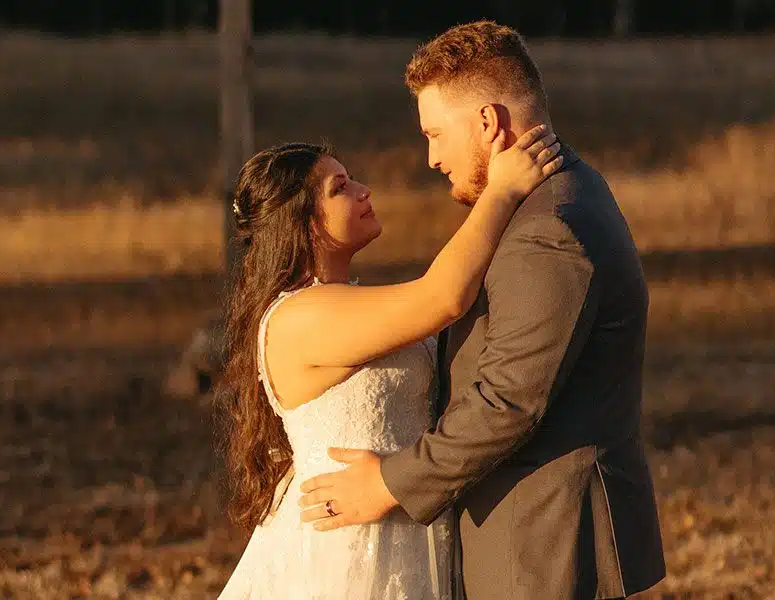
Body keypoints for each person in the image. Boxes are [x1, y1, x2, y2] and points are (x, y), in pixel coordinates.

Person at [299, 21, 666, 600]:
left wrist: (389, 486)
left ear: (489, 123)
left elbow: (509, 401)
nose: (430, 157)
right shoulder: (561, 192)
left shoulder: (549, 228)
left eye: (436, 134)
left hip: (541, 542)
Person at [214, 122, 563, 599]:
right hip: (349, 552)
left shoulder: (344, 302)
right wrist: (501, 190)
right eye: (341, 188)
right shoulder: (297, 317)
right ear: (302, 222)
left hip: (404, 527)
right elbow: (442, 298)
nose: (364, 191)